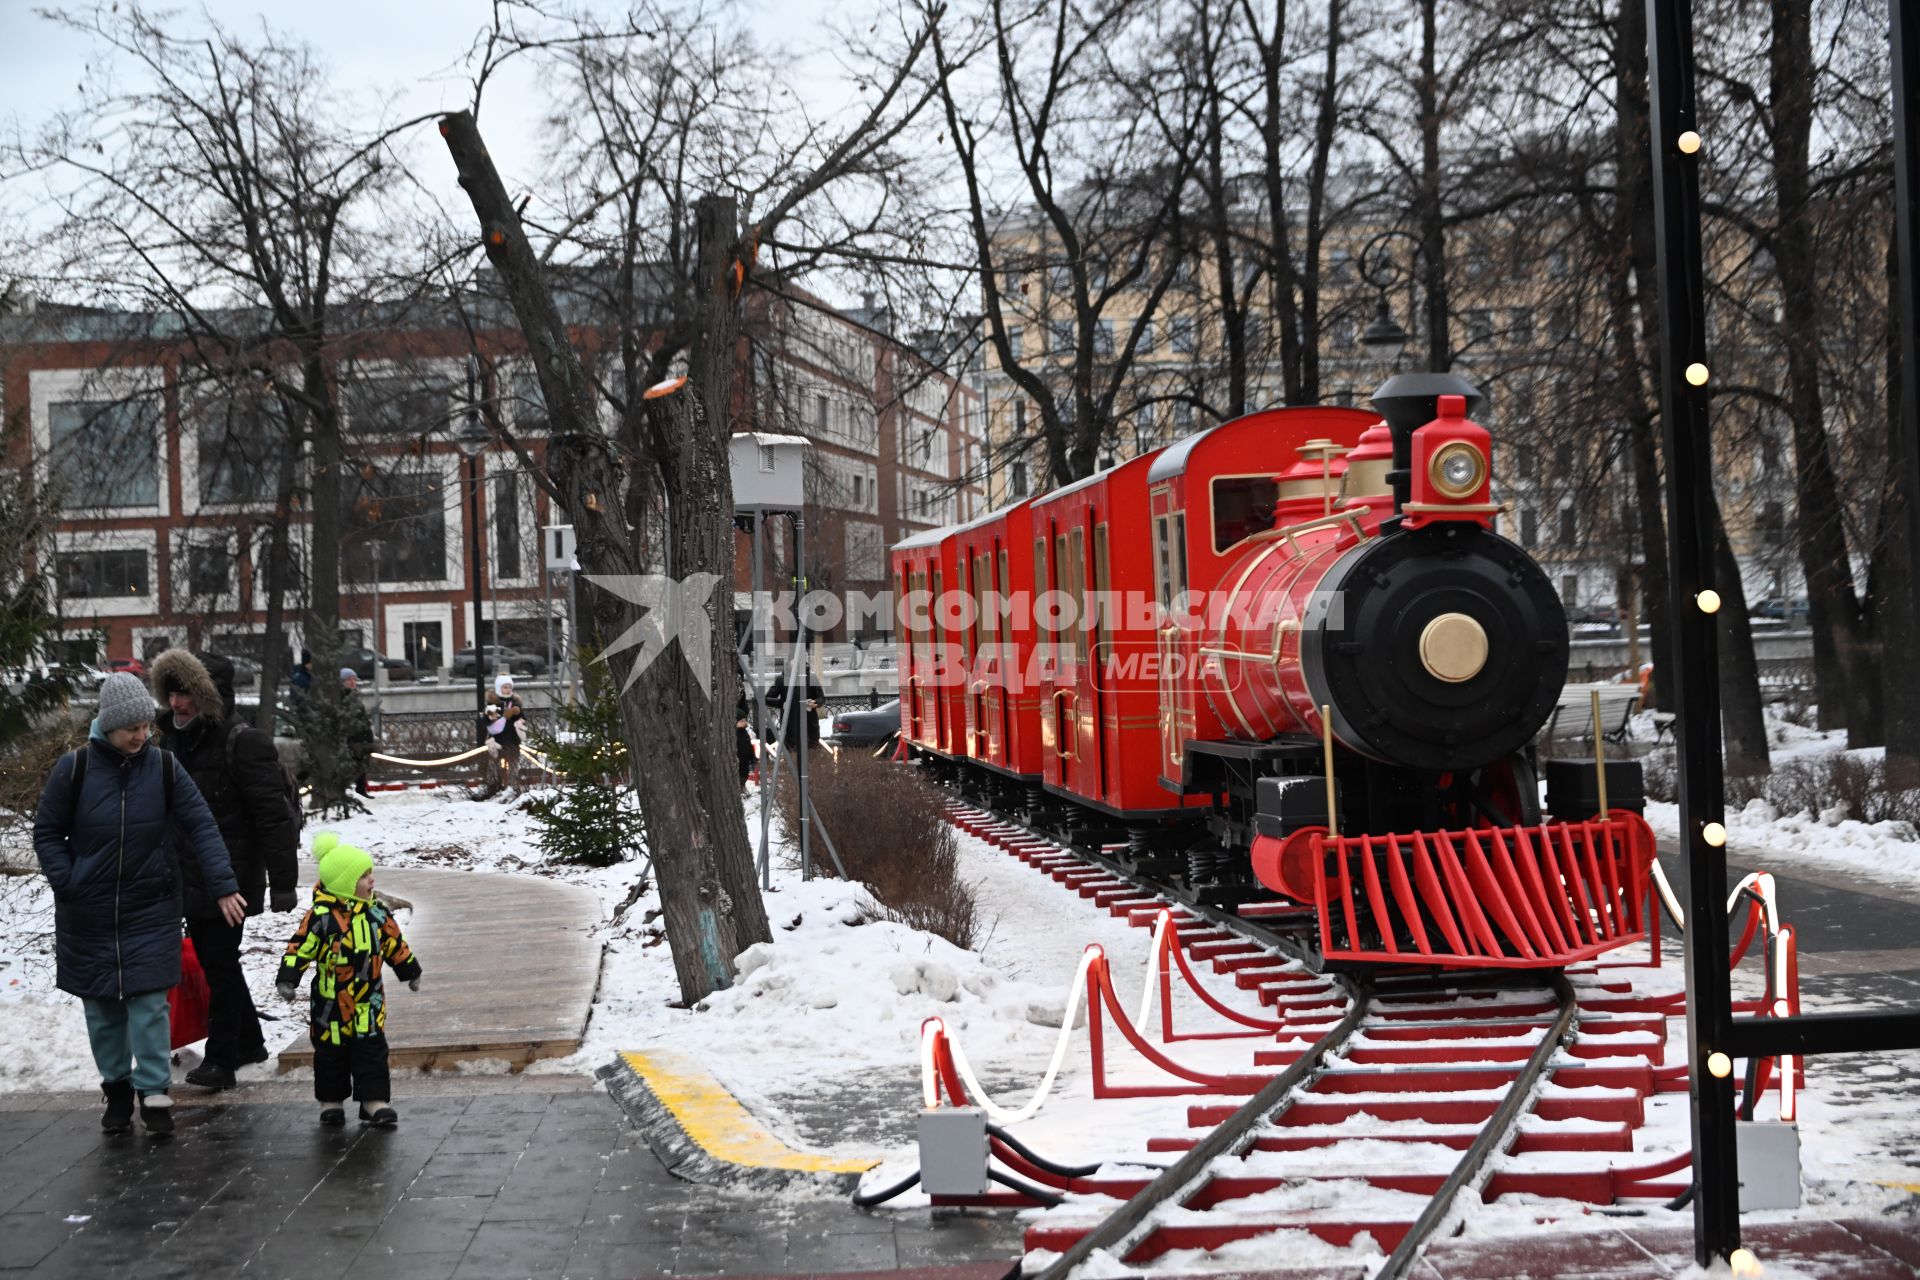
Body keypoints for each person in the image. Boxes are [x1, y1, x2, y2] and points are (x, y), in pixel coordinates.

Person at [32, 672, 245, 1137]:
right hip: (89, 912)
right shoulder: (76, 768)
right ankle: (116, 1088)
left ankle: (154, 1093)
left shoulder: (164, 767)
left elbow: (201, 825)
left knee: (150, 1004)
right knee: (104, 1008)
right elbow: (47, 832)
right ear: (108, 725)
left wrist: (223, 884)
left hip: (151, 907)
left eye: (147, 727)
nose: (142, 735)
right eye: (132, 728)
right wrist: (68, 882)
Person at [150, 652, 301, 1091]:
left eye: (187, 694)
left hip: (229, 876)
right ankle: (249, 1042)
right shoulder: (170, 739)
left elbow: (273, 816)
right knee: (220, 961)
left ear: (208, 695)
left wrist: (283, 884)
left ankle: (221, 1059)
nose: (177, 703)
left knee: (219, 961)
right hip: (185, 870)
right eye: (172, 693)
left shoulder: (243, 741)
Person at [276, 833, 421, 1128]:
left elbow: (396, 944)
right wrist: (289, 977)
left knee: (372, 1050)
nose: (372, 880)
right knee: (330, 1053)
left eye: (371, 873)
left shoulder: (378, 914)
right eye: (364, 875)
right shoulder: (321, 917)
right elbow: (300, 947)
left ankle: (373, 1102)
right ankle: (331, 1103)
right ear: (345, 882)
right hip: (330, 1003)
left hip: (369, 1000)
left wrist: (410, 970)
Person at [482, 675, 525, 789]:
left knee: (514, 763)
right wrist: (495, 716)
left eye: (510, 687)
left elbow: (523, 717)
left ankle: (513, 785)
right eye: (505, 687)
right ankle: (494, 784)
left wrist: (518, 715)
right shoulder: (493, 703)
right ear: (498, 688)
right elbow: (486, 720)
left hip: (512, 738)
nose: (508, 690)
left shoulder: (515, 703)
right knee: (494, 763)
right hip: (497, 739)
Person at [340, 668, 374, 795]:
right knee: (353, 763)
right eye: (350, 680)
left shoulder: (354, 697)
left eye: (354, 679)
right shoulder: (343, 697)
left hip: (361, 737)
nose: (353, 682)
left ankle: (361, 787)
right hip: (352, 738)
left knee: (362, 762)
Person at [734, 695, 757, 790]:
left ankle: (743, 787)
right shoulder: (735, 734)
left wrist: (752, 758)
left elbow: (748, 746)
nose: (745, 723)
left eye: (745, 720)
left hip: (744, 765)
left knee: (743, 779)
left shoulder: (744, 732)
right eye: (742, 721)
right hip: (739, 765)